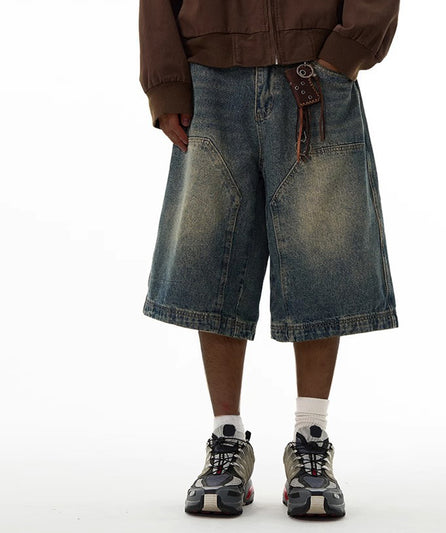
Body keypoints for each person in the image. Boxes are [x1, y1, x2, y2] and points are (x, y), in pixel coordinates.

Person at [138, 0, 400, 518]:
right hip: (209, 81)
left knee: (321, 252)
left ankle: (311, 438)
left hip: (316, 75)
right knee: (214, 256)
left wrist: (345, 52)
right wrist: (166, 84)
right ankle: (227, 437)